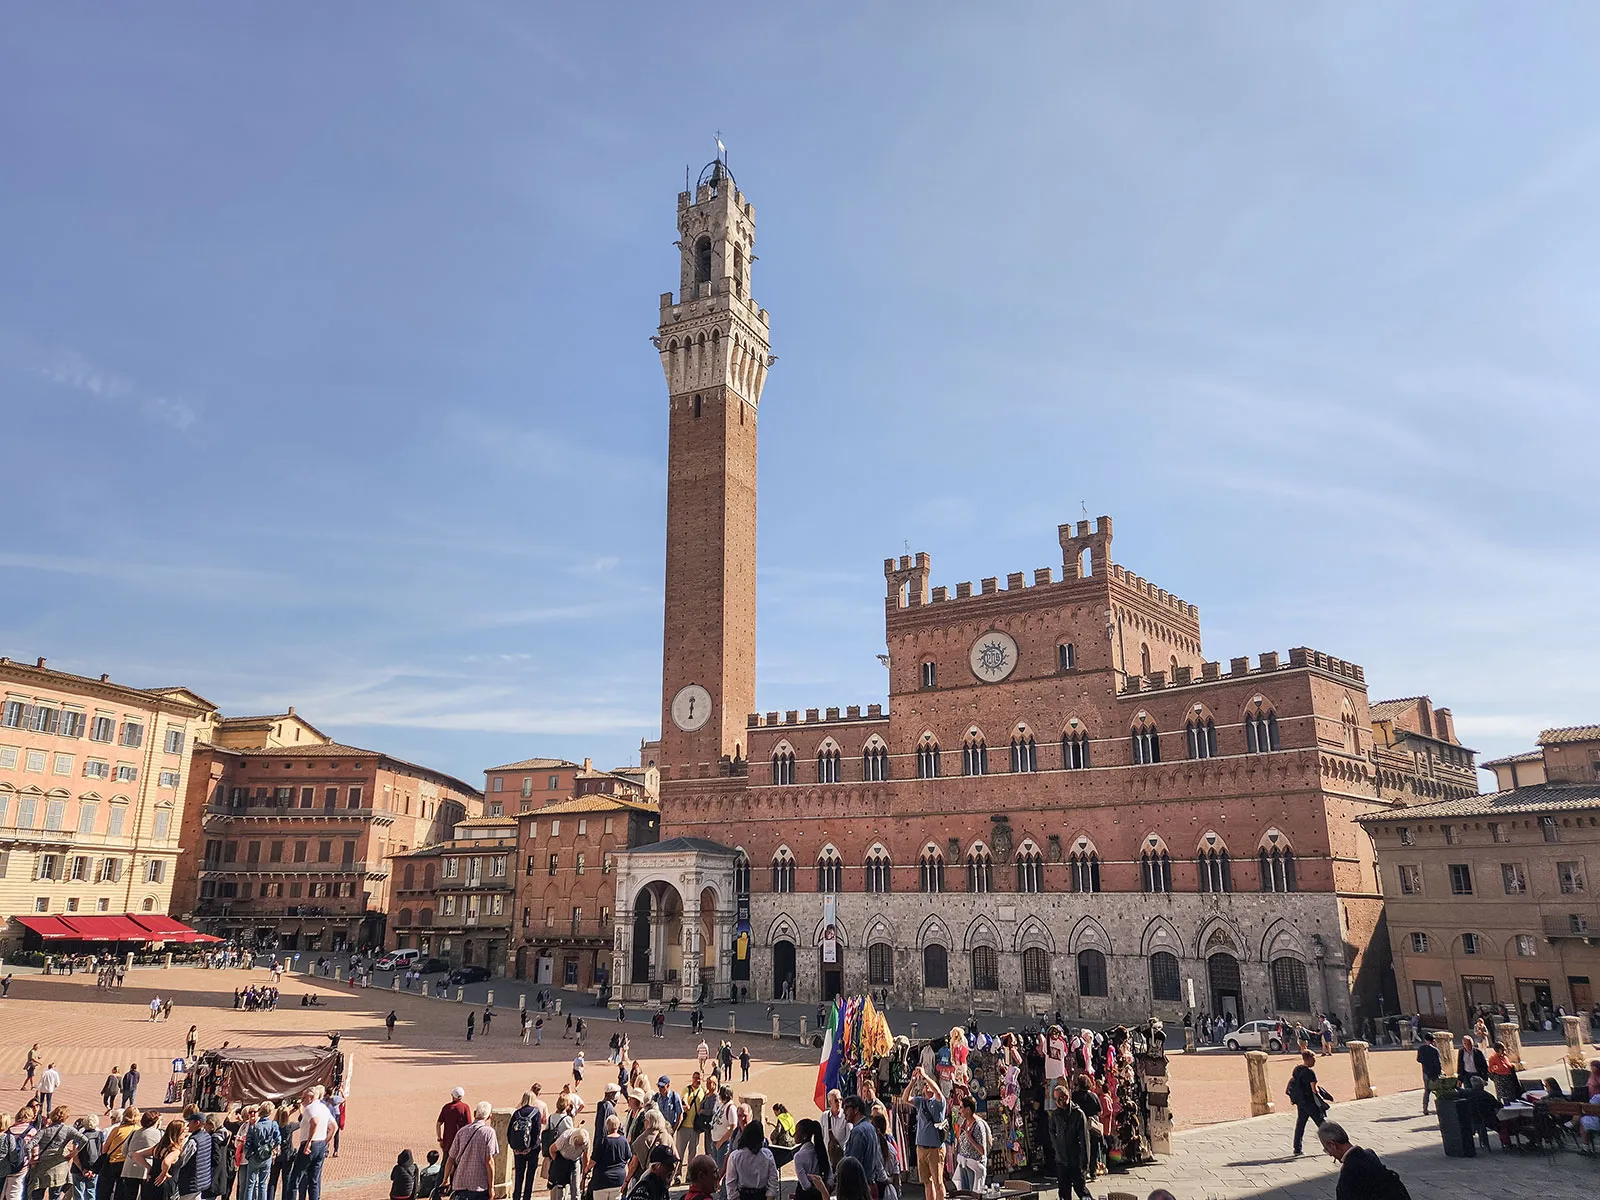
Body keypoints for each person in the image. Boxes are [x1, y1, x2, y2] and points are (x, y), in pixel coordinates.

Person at [1316, 1122, 1411, 1199]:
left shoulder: (1349, 1174)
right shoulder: (1370, 1155)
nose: (1330, 1154)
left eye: (1326, 1149)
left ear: (1332, 1145)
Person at [900, 1068, 944, 1200]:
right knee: (926, 1182)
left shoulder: (939, 1103)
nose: (927, 1088)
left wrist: (925, 1076)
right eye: (925, 1086)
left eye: (929, 1085)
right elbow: (905, 1099)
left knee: (938, 1182)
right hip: (921, 1148)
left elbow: (937, 1092)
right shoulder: (921, 1101)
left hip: (935, 1149)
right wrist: (912, 1082)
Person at [444, 1101, 498, 1200]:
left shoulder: (462, 1132)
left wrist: (445, 1179)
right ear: (490, 1116)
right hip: (480, 1185)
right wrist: (491, 1187)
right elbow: (489, 1161)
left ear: (474, 1113)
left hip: (460, 1183)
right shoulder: (489, 1132)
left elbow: (451, 1158)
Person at [1047, 1083, 1091, 1200]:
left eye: (1062, 1097)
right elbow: (1051, 1131)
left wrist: (1085, 1161)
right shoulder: (1055, 1115)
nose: (1060, 1101)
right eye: (1057, 1099)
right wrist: (1056, 1147)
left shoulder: (1078, 1114)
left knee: (1081, 1189)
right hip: (1062, 1159)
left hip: (1075, 1158)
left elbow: (1084, 1139)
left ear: (1068, 1096)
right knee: (1063, 1191)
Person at [294, 1086, 334, 1200]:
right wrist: (325, 1141)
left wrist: (309, 1142)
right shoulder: (324, 1108)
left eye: (304, 1097)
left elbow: (314, 1122)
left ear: (311, 1098)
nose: (302, 1100)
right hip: (321, 1144)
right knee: (314, 1180)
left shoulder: (310, 1108)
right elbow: (333, 1127)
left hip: (310, 1144)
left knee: (295, 1178)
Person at [129, 1118, 185, 1200]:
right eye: (183, 1132)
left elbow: (137, 1154)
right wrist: (164, 1173)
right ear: (179, 1133)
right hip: (164, 1186)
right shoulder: (174, 1150)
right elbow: (166, 1162)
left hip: (151, 1182)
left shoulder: (158, 1147)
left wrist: (148, 1167)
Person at [721, 1121, 778, 1200]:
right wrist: (770, 1196)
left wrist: (734, 1197)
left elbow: (730, 1182)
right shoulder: (767, 1154)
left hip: (743, 1195)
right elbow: (773, 1179)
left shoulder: (735, 1156)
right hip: (761, 1195)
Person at [1287, 1051, 1330, 1156]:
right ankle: (1329, 1146)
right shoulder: (1310, 1073)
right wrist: (1321, 1099)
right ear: (1309, 1059)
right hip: (1310, 1102)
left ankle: (1297, 1148)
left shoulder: (1297, 1069)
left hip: (1300, 1102)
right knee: (1322, 1124)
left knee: (1300, 1125)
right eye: (1314, 1059)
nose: (1315, 1061)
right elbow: (1313, 1090)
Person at [114, 1111, 160, 1200]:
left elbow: (124, 1150)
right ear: (155, 1122)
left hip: (130, 1168)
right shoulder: (158, 1133)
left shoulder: (135, 1132)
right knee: (145, 1195)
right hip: (147, 1168)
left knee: (129, 1195)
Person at [506, 1091, 543, 1200]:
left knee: (518, 1175)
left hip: (518, 1149)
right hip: (532, 1150)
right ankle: (527, 1197)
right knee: (530, 1176)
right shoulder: (536, 1113)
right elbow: (537, 1132)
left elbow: (509, 1132)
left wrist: (514, 1147)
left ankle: (516, 1196)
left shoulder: (517, 1113)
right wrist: (531, 1147)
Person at [241, 1101, 282, 1200]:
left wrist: (248, 1155)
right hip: (266, 1156)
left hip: (254, 1156)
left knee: (250, 1184)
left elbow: (248, 1143)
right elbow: (278, 1139)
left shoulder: (254, 1126)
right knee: (262, 1184)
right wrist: (274, 1149)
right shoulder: (273, 1124)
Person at [949, 1095, 989, 1194]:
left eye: (961, 1107)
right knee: (964, 1194)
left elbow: (983, 1151)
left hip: (974, 1165)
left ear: (968, 1109)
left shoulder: (978, 1125)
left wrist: (969, 1137)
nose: (960, 1110)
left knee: (973, 1193)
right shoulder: (964, 1122)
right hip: (963, 1164)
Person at [586, 1115, 630, 1200]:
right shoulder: (623, 1141)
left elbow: (593, 1161)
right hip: (618, 1179)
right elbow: (627, 1158)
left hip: (601, 1180)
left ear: (607, 1127)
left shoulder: (602, 1141)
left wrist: (586, 1169)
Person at [544, 1124, 589, 1200]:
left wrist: (584, 1175)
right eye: (578, 1145)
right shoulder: (564, 1138)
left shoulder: (586, 1139)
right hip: (563, 1160)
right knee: (560, 1188)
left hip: (575, 1162)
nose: (580, 1147)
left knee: (575, 1189)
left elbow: (585, 1156)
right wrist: (558, 1163)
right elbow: (552, 1149)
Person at [790, 1121, 829, 1200]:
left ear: (804, 1136)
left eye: (796, 1132)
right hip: (820, 1195)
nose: (794, 1135)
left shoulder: (799, 1156)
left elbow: (805, 1186)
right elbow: (830, 1177)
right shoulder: (821, 1151)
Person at [437, 1090, 471, 1159]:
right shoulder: (465, 1107)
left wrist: (440, 1139)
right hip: (461, 1141)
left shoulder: (446, 1107)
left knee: (446, 1162)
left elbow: (438, 1124)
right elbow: (469, 1125)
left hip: (448, 1142)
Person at [821, 1092, 849, 1174]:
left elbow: (849, 1137)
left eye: (840, 1099)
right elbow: (822, 1135)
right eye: (836, 1100)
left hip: (842, 1158)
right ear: (830, 1102)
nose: (839, 1102)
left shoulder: (846, 1116)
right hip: (828, 1159)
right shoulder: (824, 1116)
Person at [1415, 1033, 1441, 1115]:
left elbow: (1418, 1059)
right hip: (1434, 1072)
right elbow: (1438, 1063)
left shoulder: (1421, 1048)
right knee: (1438, 1090)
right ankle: (1440, 1106)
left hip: (1425, 1071)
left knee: (1427, 1090)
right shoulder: (1435, 1050)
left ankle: (1425, 1108)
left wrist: (1425, 1062)